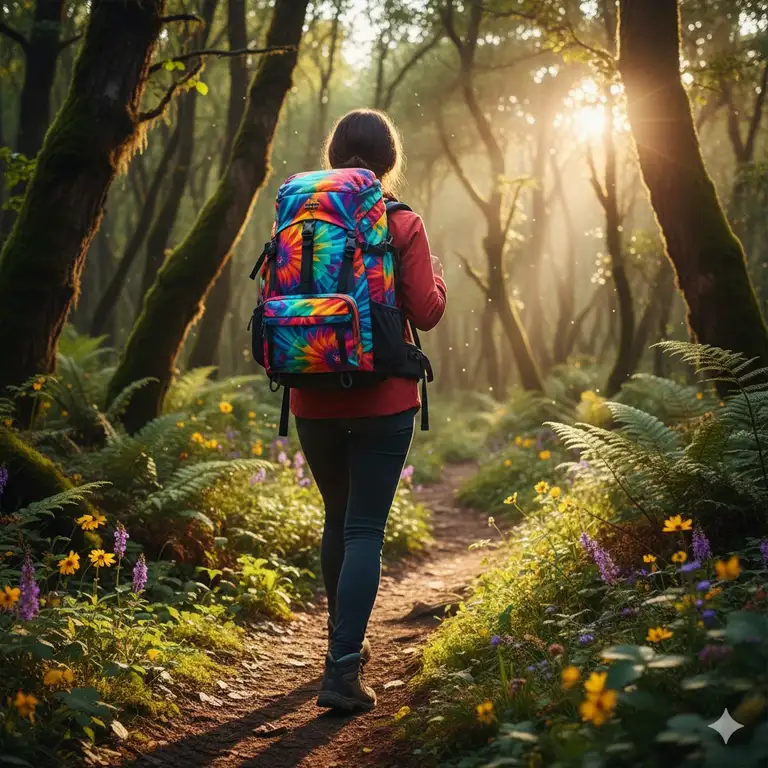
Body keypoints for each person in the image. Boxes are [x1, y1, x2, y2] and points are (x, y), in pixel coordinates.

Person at [292, 109, 447, 712]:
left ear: (334, 154)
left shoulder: (300, 218)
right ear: (387, 160)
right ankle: (342, 669)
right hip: (384, 397)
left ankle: (338, 653)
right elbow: (425, 312)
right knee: (364, 530)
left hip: (311, 394)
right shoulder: (400, 218)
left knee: (338, 520)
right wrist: (436, 281)